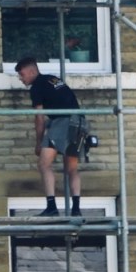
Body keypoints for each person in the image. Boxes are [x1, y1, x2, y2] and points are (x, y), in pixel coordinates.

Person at [15, 56, 84, 217]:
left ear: (32, 71)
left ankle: (52, 207)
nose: (20, 78)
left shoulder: (36, 87)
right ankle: (76, 210)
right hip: (79, 123)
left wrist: (38, 143)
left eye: (22, 74)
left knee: (44, 164)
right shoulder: (53, 79)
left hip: (62, 123)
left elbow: (39, 117)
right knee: (72, 168)